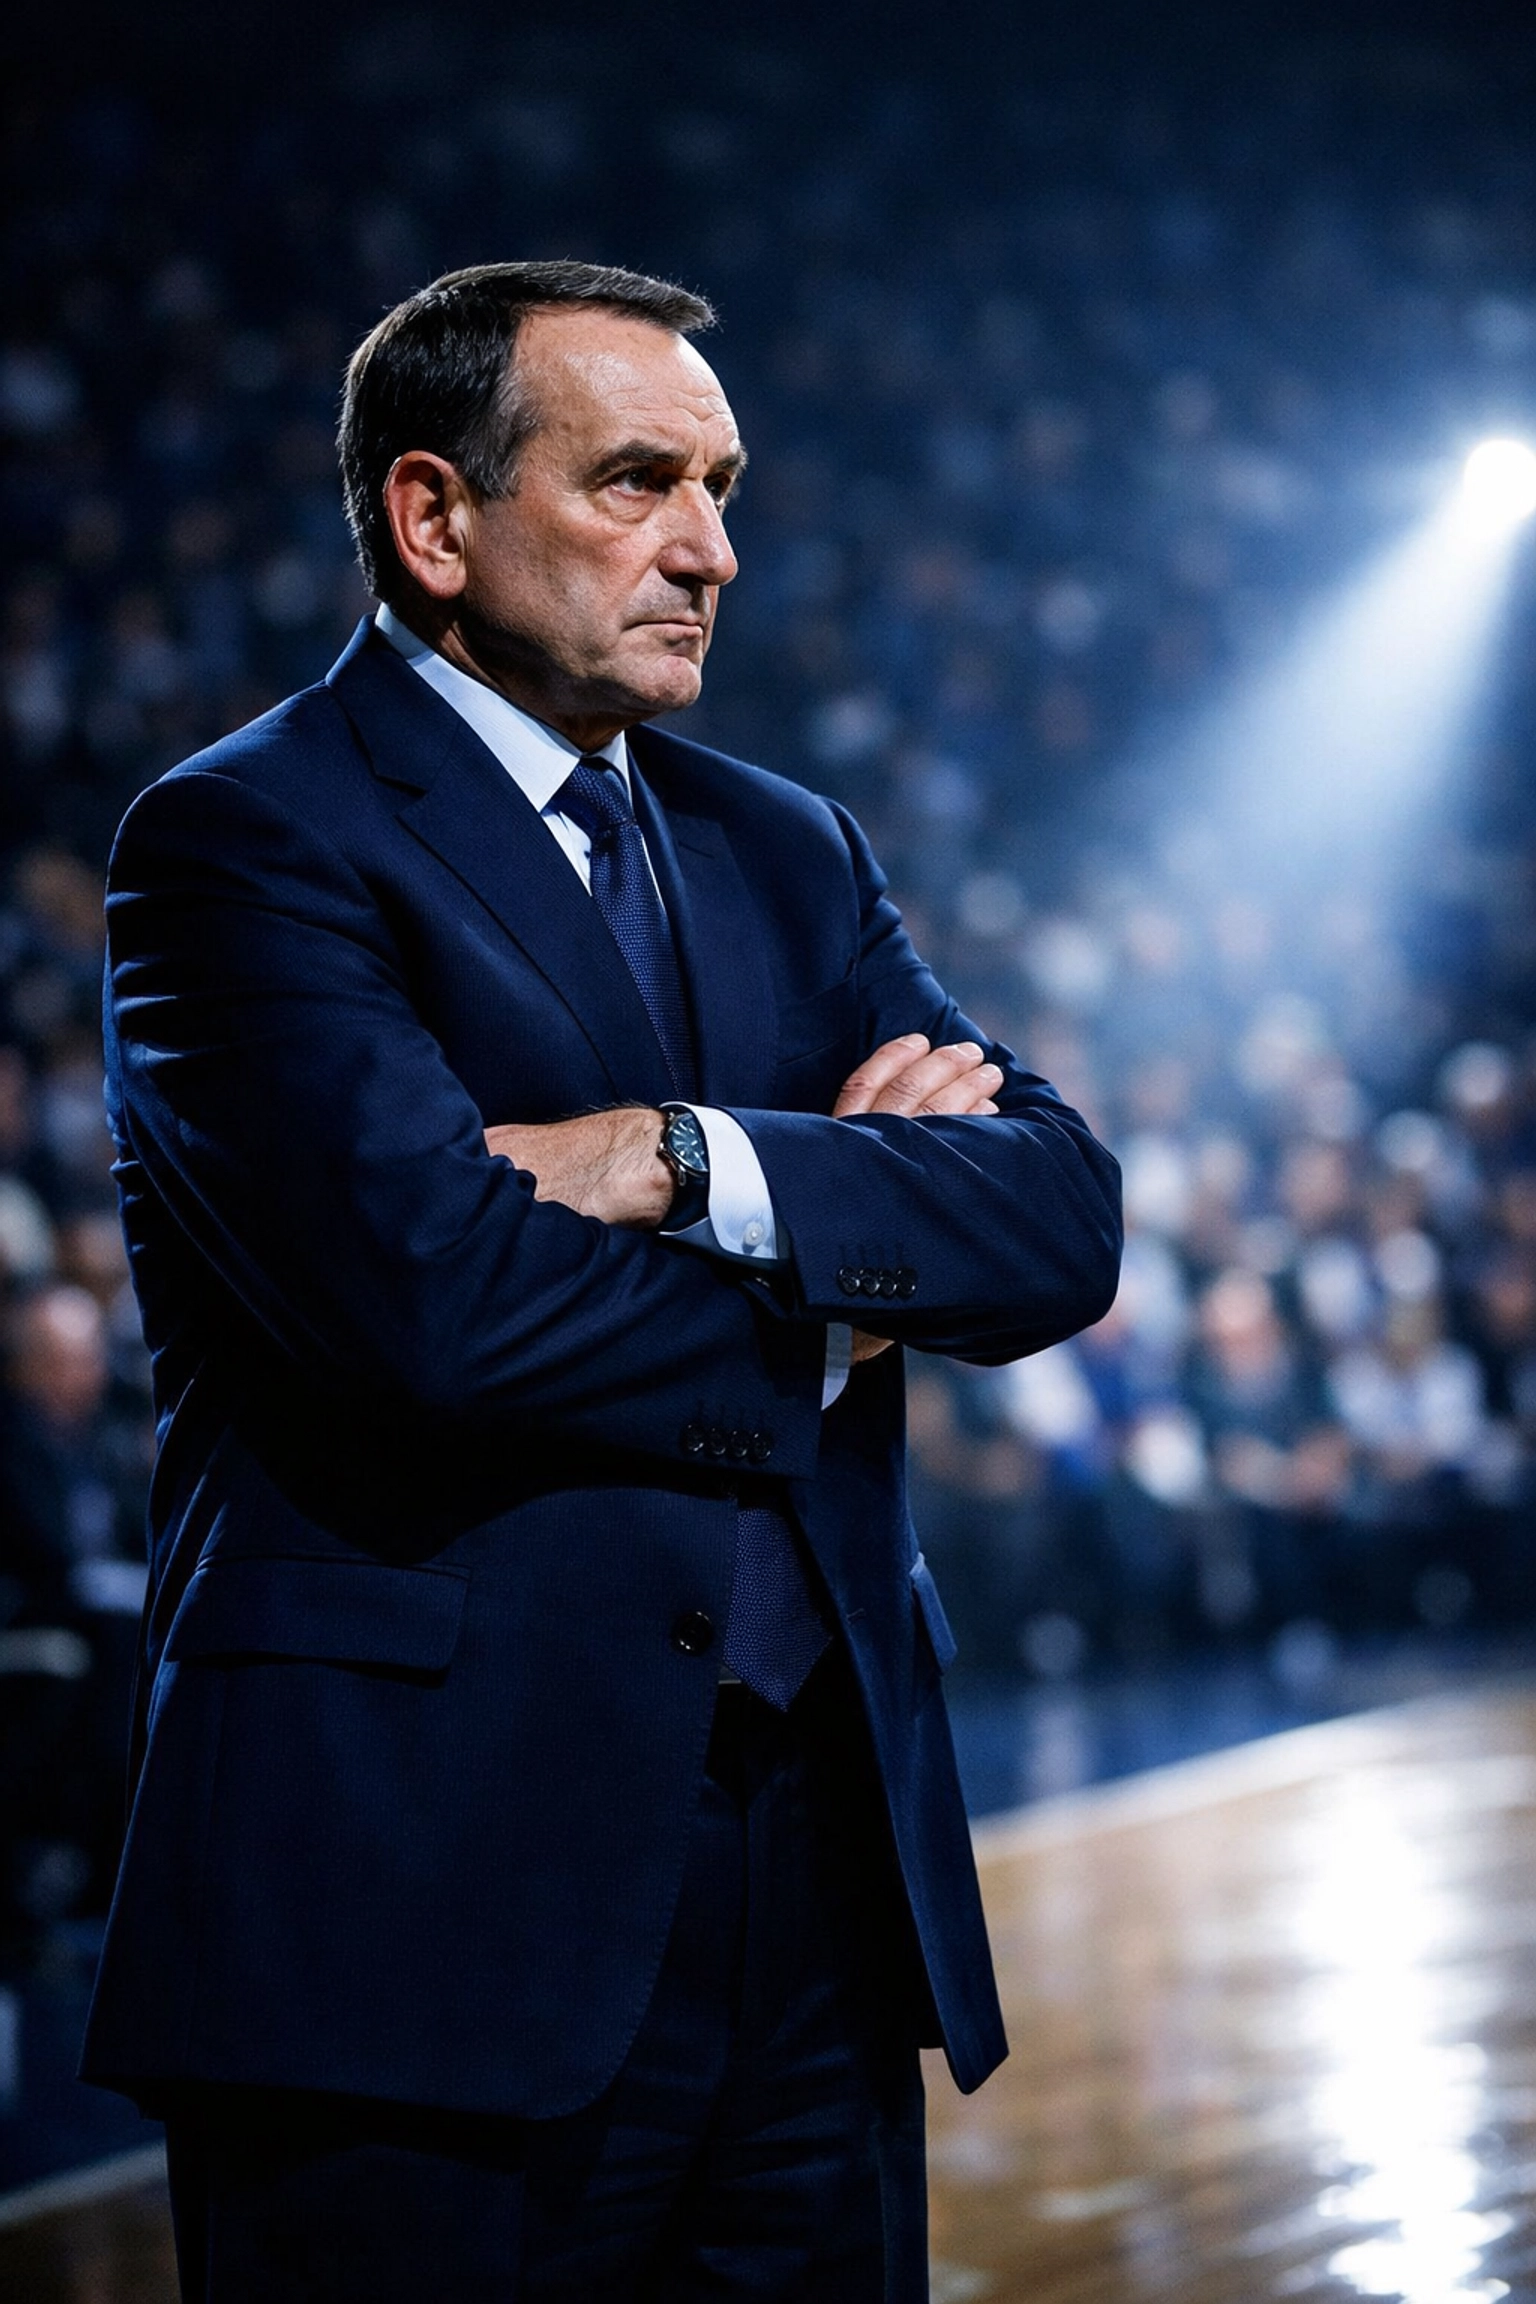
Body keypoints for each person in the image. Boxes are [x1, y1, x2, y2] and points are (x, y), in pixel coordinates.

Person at [81, 261, 1121, 2301]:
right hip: (419, 1902)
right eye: (642, 480)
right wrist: (850, 1262)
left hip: (818, 1886)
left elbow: (1058, 1215)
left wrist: (687, 1162)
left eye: (723, 487)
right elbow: (434, 1303)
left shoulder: (786, 844)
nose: (714, 549)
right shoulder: (239, 842)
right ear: (435, 516)